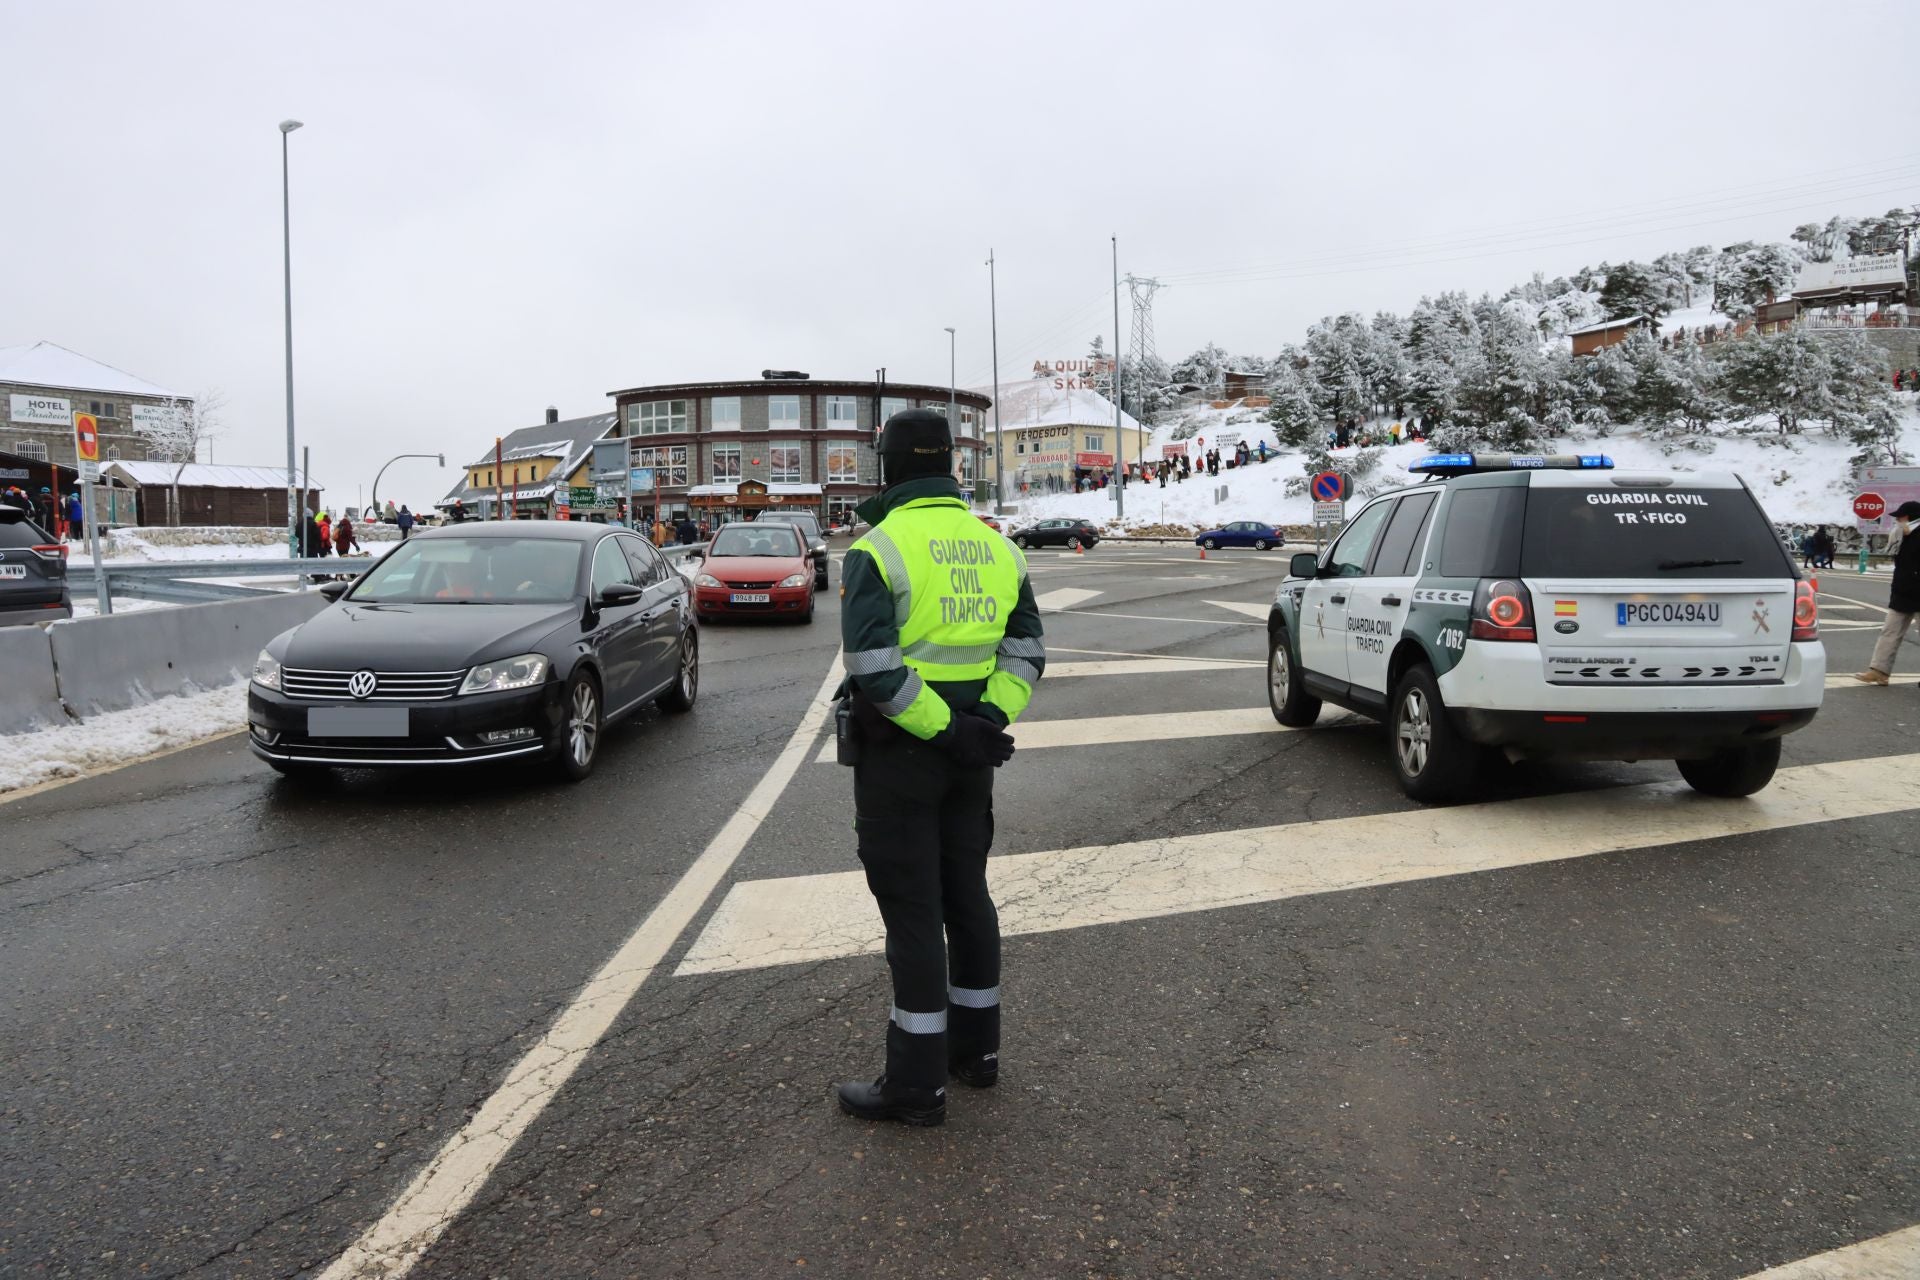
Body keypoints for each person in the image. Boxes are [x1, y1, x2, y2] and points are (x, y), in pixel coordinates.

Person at [834, 408, 1046, 1128]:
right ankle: (976, 1054)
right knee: (968, 898)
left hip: (903, 758)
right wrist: (987, 723)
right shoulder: (999, 548)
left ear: (887, 467)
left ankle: (916, 1085)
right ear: (952, 465)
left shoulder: (879, 548)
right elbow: (1027, 652)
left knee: (915, 915)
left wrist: (948, 731)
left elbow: (873, 669)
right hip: (972, 760)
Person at [1857, 501, 1920, 686]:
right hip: (1902, 592)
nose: (1898, 520)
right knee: (1889, 632)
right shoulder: (1901, 536)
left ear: (1911, 517)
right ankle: (1878, 671)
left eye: (1901, 517)